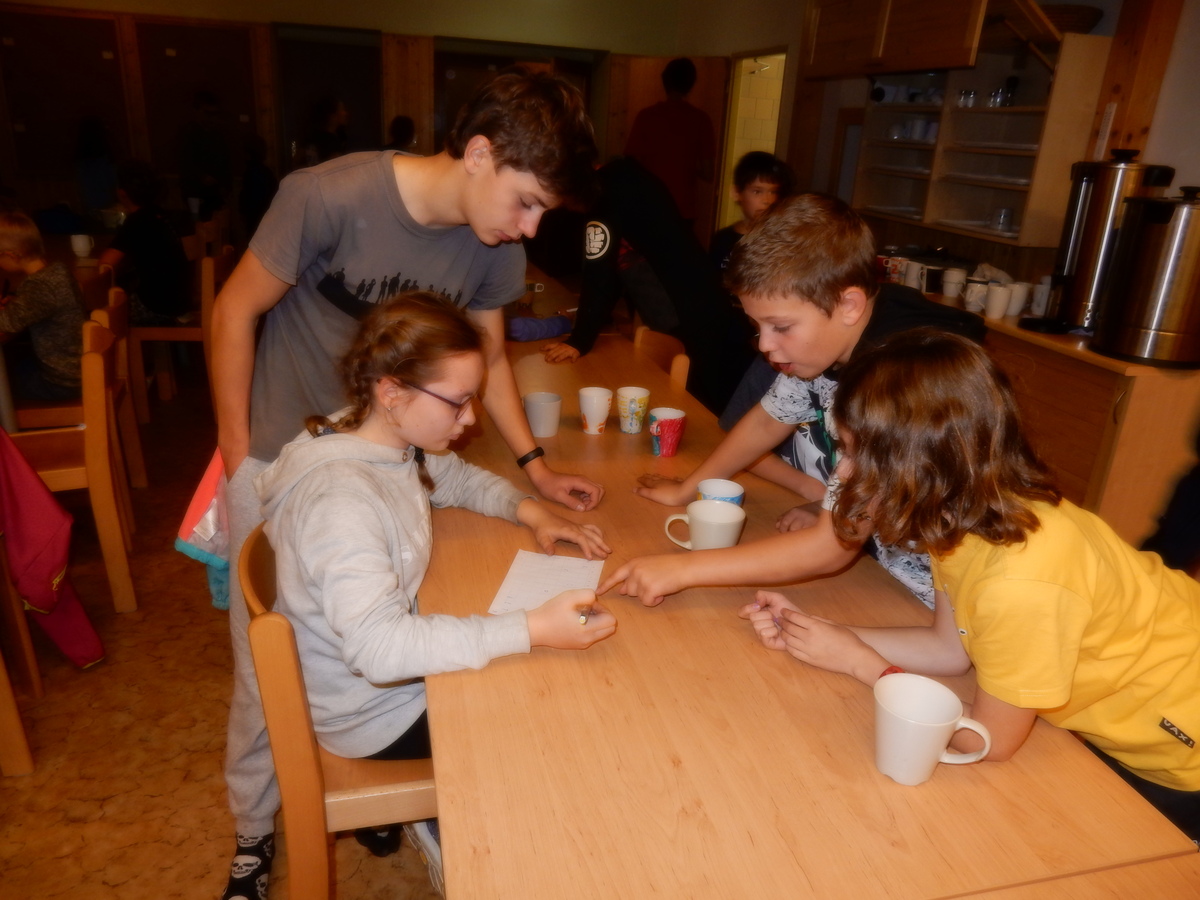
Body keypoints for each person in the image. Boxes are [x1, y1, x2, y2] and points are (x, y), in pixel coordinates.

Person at [211, 68, 601, 900]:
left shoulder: (493, 243)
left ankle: (376, 769)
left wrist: (534, 471)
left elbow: (489, 362)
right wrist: (239, 451)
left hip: (387, 453)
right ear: (479, 153)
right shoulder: (327, 196)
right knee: (264, 671)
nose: (528, 228)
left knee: (366, 618)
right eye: (526, 202)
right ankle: (253, 832)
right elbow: (233, 310)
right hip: (287, 451)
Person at [740, 329, 1200, 843]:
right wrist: (828, 633)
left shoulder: (1020, 580)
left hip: (1178, 747)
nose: (842, 473)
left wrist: (860, 663)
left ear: (917, 464)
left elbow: (987, 741)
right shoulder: (963, 514)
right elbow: (949, 649)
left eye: (852, 453)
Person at [253, 293, 616, 895]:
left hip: (381, 688)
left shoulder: (383, 436)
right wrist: (530, 627)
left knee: (544, 676)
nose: (471, 418)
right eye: (458, 400)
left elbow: (457, 479)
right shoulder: (342, 500)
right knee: (556, 715)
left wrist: (533, 512)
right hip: (374, 713)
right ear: (391, 391)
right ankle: (451, 823)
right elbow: (379, 651)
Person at [599, 193, 984, 609]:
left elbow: (831, 547)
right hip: (881, 572)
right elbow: (768, 421)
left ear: (849, 305)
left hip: (937, 604)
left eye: (780, 327)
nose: (765, 344)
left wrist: (682, 569)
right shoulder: (826, 348)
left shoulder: (901, 382)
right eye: (757, 326)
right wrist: (688, 490)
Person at [541, 156, 756, 415]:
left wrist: (579, 341)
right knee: (712, 397)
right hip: (702, 299)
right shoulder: (626, 174)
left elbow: (599, 272)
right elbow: (617, 268)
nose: (564, 205)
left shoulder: (603, 194)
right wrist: (594, 321)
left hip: (686, 310)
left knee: (700, 406)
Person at [0, 210, 86, 402]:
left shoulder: (38, 286)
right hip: (77, 370)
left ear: (11, 255)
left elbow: (6, 323)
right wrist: (16, 303)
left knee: (5, 383)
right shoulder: (57, 271)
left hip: (62, 383)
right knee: (19, 364)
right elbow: (37, 306)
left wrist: (12, 309)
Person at [98, 160, 190, 325]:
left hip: (157, 306)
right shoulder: (160, 215)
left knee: (105, 313)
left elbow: (105, 264)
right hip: (180, 301)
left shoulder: (137, 221)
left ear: (122, 193)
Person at [625, 58, 714, 225]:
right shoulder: (701, 120)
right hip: (683, 208)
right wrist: (685, 165)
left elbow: (631, 165)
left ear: (665, 81)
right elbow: (708, 172)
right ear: (691, 84)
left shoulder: (647, 116)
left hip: (650, 204)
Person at [708, 151, 794, 274]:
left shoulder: (783, 238)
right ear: (737, 193)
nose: (767, 200)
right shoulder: (722, 240)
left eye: (773, 192)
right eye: (757, 192)